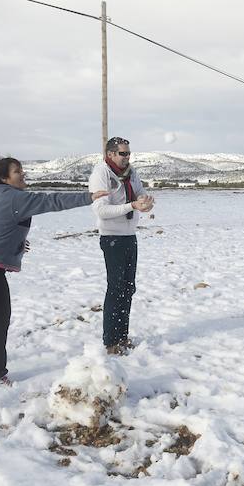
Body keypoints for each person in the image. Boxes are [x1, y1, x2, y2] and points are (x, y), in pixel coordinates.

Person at [0, 157, 106, 385]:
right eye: (17, 171)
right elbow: (52, 201)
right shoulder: (17, 198)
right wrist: (88, 197)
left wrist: (14, 243)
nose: (23, 173)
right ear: (4, 178)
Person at [89, 137, 154, 355]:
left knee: (128, 288)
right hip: (112, 237)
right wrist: (131, 205)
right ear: (110, 154)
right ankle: (110, 341)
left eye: (128, 153)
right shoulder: (102, 174)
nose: (127, 157)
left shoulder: (131, 172)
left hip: (129, 235)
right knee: (116, 288)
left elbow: (139, 192)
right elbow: (101, 210)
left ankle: (122, 337)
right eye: (123, 153)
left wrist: (145, 202)